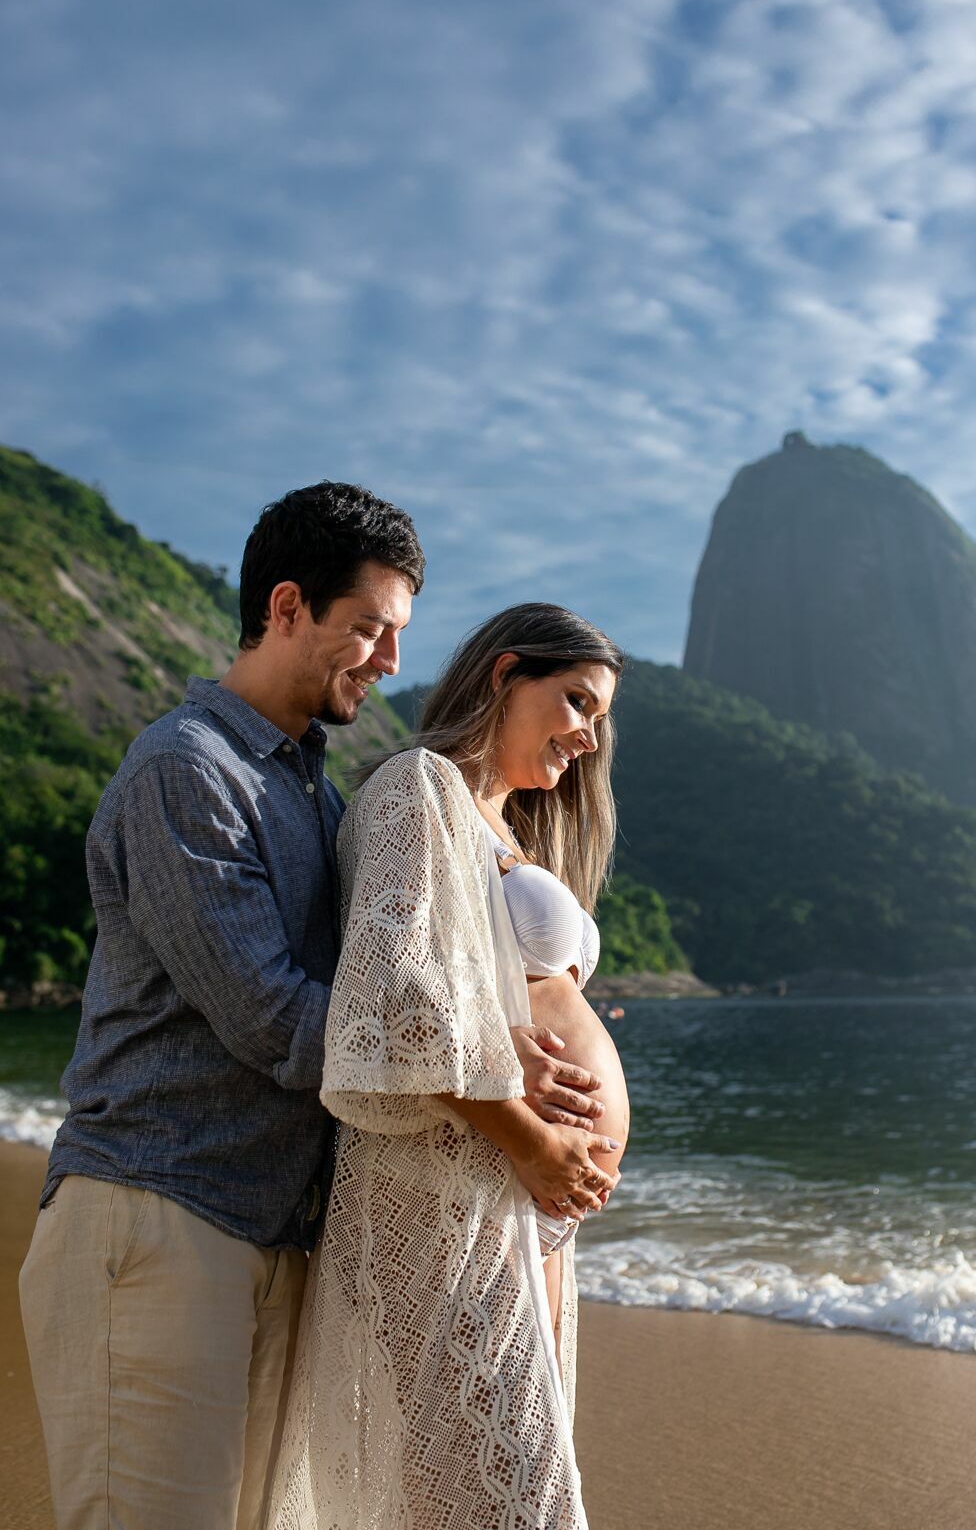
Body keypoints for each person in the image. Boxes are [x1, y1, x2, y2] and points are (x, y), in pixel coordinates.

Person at [19, 489, 604, 1530]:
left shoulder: (311, 793)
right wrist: (487, 1069)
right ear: (286, 606)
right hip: (159, 1212)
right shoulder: (185, 769)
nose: (387, 661)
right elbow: (271, 1015)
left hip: (272, 1226)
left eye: (398, 636)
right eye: (370, 628)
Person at [268, 603, 629, 1530]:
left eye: (600, 720)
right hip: (452, 1194)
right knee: (506, 1504)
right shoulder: (418, 788)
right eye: (576, 700)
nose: (588, 736)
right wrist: (532, 1139)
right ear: (506, 674)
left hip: (526, 1211)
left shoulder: (513, 834)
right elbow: (396, 999)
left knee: (486, 1494)